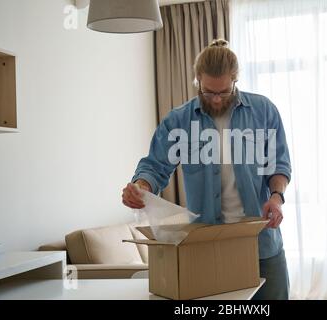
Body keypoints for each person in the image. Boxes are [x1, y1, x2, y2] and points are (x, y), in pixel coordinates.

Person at [122, 39, 292, 300]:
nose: (215, 98)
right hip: (207, 247)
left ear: (235, 80)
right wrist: (140, 187)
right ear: (197, 80)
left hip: (261, 244)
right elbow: (154, 167)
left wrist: (276, 198)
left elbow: (278, 165)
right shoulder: (178, 120)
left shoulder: (263, 111)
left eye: (223, 91)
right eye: (207, 90)